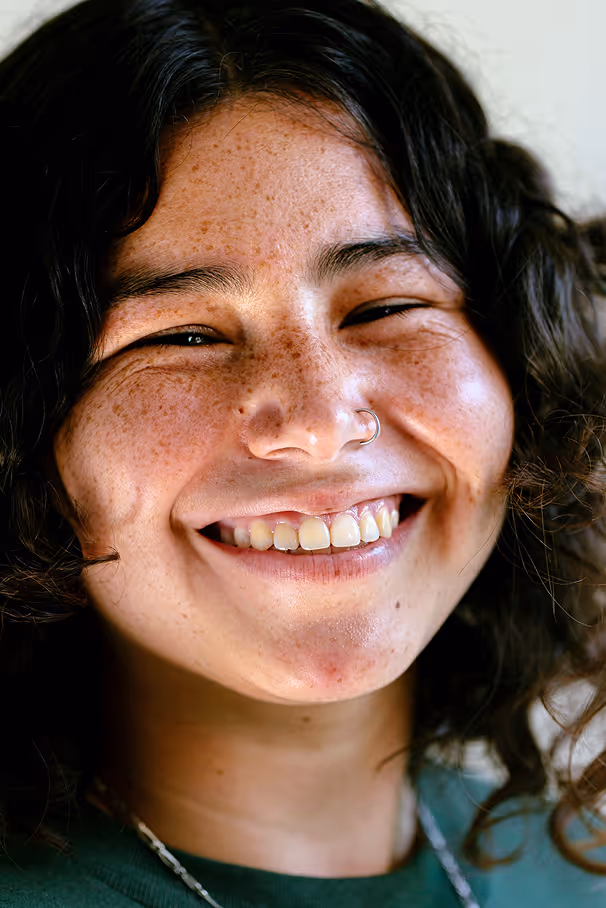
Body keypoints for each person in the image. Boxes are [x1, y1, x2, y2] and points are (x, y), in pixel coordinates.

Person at [0, 0, 605, 905]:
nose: (320, 422)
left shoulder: (571, 876)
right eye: (185, 336)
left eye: (384, 307)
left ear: (522, 357)